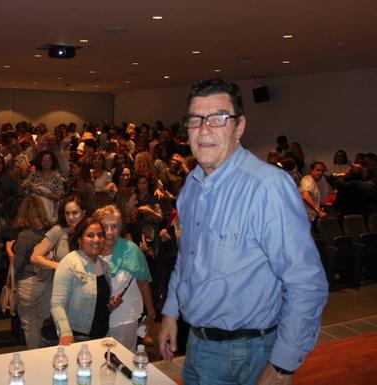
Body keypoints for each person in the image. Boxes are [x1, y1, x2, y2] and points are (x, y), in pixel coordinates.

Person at [158, 78, 328, 385]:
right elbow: (187, 259)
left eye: (218, 118)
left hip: (247, 354)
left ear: (239, 127)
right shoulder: (192, 188)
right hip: (196, 345)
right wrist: (171, 311)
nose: (204, 129)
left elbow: (307, 283)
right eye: (195, 120)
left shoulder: (268, 187)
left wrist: (281, 366)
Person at [92, 205, 155, 352]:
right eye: (104, 226)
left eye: (114, 226)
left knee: (123, 362)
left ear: (120, 228)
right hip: (94, 321)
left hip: (124, 320)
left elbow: (143, 283)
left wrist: (151, 314)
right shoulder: (91, 249)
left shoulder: (131, 250)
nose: (109, 232)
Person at [50, 218, 119, 345]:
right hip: (75, 336)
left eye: (100, 235)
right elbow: (57, 303)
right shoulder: (69, 262)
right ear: (79, 240)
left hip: (100, 335)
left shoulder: (105, 265)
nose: (96, 240)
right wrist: (65, 333)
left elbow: (98, 299)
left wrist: (111, 303)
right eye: (90, 235)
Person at [4, 196, 52, 349]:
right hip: (47, 280)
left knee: (29, 325)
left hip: (27, 283)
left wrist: (9, 251)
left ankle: (35, 358)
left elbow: (17, 263)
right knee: (41, 321)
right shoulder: (50, 232)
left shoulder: (24, 235)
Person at [23, 150, 64, 222]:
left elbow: (59, 197)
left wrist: (44, 193)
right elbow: (25, 189)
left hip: (51, 209)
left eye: (49, 160)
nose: (46, 162)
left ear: (52, 162)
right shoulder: (34, 174)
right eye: (44, 159)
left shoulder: (57, 177)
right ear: (40, 161)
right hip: (34, 208)